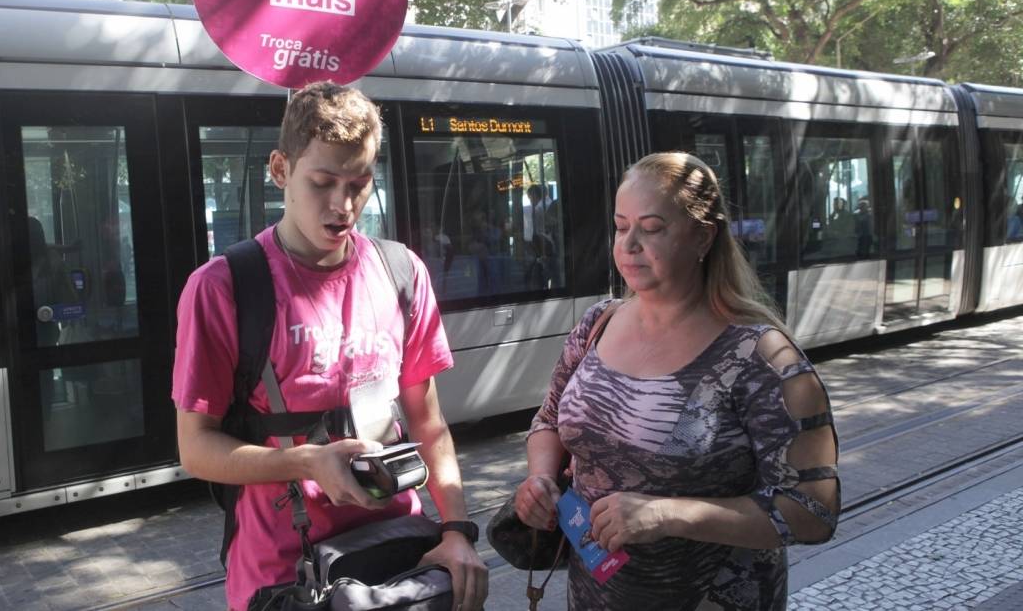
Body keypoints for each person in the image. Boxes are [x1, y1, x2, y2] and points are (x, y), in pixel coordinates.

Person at [172, 82, 487, 611]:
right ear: (280, 170)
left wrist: (456, 530)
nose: (343, 206)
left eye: (359, 184)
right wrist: (308, 463)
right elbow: (196, 448)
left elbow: (428, 423)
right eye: (322, 183)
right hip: (282, 575)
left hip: (396, 553)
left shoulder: (401, 272)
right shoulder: (224, 287)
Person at [513, 152, 839, 610]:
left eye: (651, 228)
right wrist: (541, 479)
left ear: (703, 236)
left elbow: (813, 511)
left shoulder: (762, 357)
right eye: (620, 226)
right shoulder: (597, 324)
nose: (629, 245)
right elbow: (548, 421)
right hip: (594, 595)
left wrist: (668, 515)